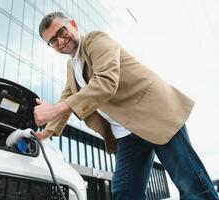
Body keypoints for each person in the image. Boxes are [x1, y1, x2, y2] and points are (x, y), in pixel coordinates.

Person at [33, 11, 219, 200]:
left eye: (62, 32)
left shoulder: (96, 41)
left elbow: (105, 82)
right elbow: (67, 97)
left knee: (191, 186)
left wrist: (54, 109)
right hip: (127, 133)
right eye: (53, 41)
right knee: (124, 193)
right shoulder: (71, 66)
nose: (60, 41)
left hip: (154, 114)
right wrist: (46, 133)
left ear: (73, 24)